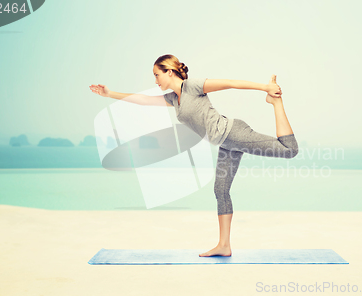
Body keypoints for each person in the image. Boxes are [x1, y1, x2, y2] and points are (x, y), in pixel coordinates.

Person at [89, 54, 298, 257]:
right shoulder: (173, 98)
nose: (155, 80)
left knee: (289, 150)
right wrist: (110, 94)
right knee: (220, 190)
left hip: (234, 133)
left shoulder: (192, 87)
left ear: (169, 72)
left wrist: (266, 88)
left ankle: (275, 103)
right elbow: (144, 100)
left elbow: (230, 83)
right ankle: (224, 245)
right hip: (226, 144)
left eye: (156, 74)